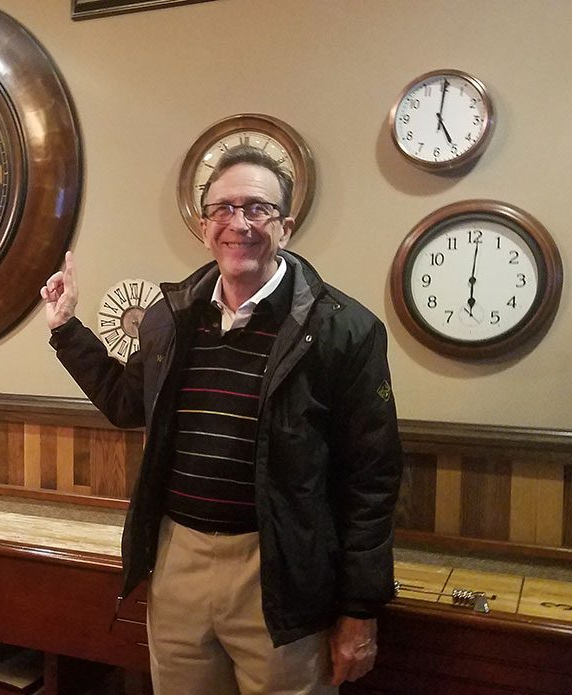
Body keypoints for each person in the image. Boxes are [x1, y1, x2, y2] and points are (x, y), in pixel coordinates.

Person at [41, 145, 403, 695]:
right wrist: (67, 329)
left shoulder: (344, 330)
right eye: (223, 209)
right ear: (204, 224)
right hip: (178, 561)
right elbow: (125, 403)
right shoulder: (172, 317)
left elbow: (371, 480)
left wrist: (360, 609)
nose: (239, 223)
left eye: (257, 208)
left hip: (279, 573)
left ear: (285, 223)